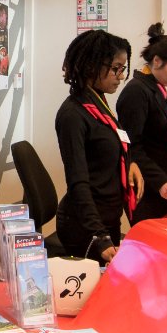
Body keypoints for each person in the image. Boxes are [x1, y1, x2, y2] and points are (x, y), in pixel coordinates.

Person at [53, 29, 135, 262]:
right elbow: (78, 181)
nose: (120, 76)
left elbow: (113, 145)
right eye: (115, 68)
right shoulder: (73, 115)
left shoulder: (100, 103)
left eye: (123, 69)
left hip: (107, 217)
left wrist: (132, 163)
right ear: (91, 66)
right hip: (85, 226)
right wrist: (99, 236)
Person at [117, 24, 167, 222]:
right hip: (150, 189)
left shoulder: (158, 89)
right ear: (157, 61)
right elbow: (132, 147)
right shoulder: (137, 92)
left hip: (166, 184)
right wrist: (160, 182)